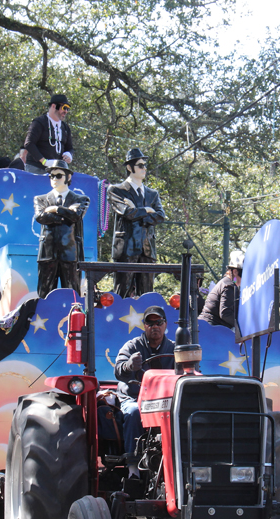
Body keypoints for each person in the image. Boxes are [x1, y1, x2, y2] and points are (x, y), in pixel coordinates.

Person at [114, 307, 175, 463]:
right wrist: (128, 365)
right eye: (150, 322)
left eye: (159, 322)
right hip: (135, 397)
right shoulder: (132, 346)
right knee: (134, 412)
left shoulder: (175, 349)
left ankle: (176, 462)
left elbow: (189, 371)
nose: (154, 326)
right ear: (144, 325)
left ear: (165, 324)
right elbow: (119, 371)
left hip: (166, 401)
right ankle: (133, 467)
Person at [107, 148, 166, 298]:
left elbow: (160, 216)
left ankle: (148, 321)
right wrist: (147, 210)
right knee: (122, 292)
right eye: (140, 165)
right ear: (129, 167)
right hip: (126, 247)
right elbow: (127, 213)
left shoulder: (153, 193)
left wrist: (137, 210)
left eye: (145, 165)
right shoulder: (116, 190)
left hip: (147, 248)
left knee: (147, 293)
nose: (144, 168)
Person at [34, 160, 89, 298]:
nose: (54, 179)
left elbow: (76, 216)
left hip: (70, 253)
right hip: (47, 253)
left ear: (68, 177)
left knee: (72, 294)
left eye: (58, 175)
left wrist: (56, 209)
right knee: (44, 294)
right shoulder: (40, 199)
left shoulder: (81, 199)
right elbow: (40, 217)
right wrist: (65, 215)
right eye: (51, 176)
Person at [20, 94, 74, 174]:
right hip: (36, 168)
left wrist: (69, 154)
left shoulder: (65, 128)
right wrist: (44, 161)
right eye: (64, 108)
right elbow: (29, 143)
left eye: (67, 109)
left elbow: (70, 148)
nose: (66, 111)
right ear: (53, 106)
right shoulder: (39, 122)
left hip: (56, 171)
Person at [200, 251, 244, 330]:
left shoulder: (226, 283)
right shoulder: (229, 286)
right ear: (235, 272)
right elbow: (225, 313)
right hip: (211, 328)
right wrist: (243, 326)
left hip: (206, 326)